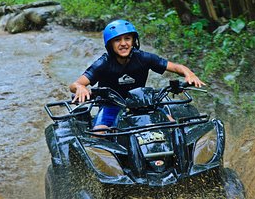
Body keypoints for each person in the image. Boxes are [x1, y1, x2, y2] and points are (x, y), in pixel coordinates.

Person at [69, 19, 205, 131]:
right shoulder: (103, 63)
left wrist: (189, 74)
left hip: (143, 103)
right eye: (117, 40)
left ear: (134, 41)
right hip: (111, 105)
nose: (123, 44)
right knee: (99, 131)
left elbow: (176, 67)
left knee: (172, 125)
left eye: (127, 38)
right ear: (110, 44)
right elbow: (75, 84)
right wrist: (80, 87)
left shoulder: (144, 58)